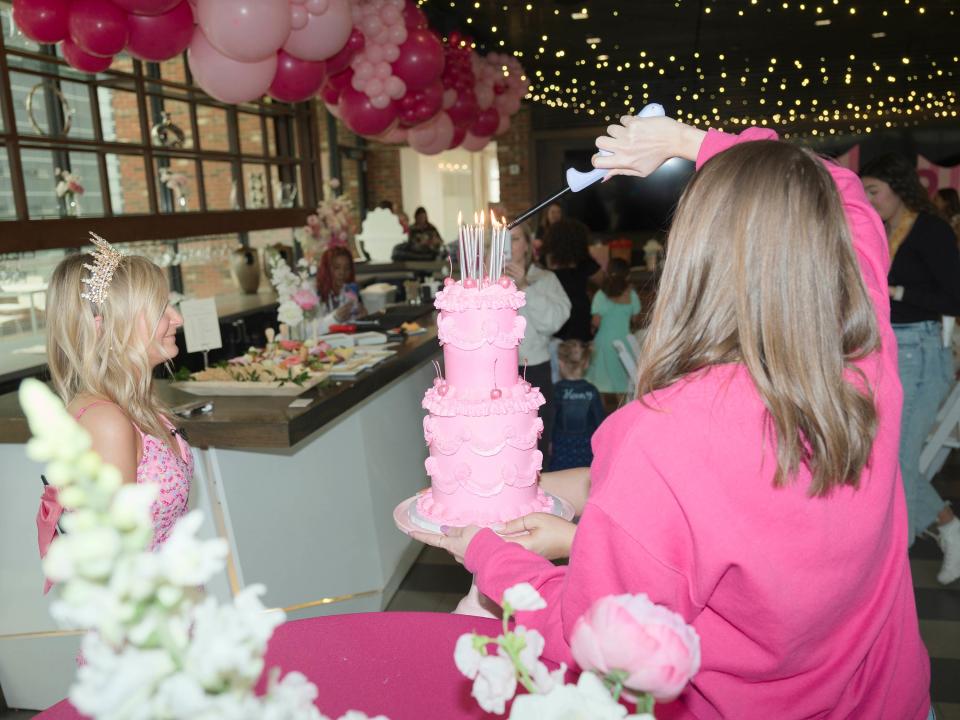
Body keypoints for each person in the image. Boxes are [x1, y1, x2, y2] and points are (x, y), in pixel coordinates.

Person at [412, 118, 931, 718]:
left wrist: (489, 554)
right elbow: (840, 188)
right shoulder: (865, 363)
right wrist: (689, 142)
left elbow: (590, 639)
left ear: (692, 257)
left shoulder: (662, 436)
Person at [39, 234, 192, 590]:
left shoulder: (135, 403)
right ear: (104, 327)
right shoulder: (106, 421)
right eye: (159, 310)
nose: (178, 318)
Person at [861, 154, 960, 585]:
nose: (869, 199)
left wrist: (896, 289)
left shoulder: (930, 230)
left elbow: (954, 299)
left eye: (874, 191)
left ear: (899, 189)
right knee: (885, 457)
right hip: (890, 350)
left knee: (897, 461)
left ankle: (948, 529)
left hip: (921, 353)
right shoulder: (882, 232)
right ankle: (912, 538)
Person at [503, 222, 571, 467]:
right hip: (494, 375)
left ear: (528, 246)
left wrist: (524, 288)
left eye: (515, 239)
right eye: (501, 240)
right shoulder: (485, 282)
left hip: (533, 370)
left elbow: (553, 322)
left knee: (535, 449)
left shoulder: (544, 279)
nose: (507, 247)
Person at [542, 218, 604, 344]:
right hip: (579, 313)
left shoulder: (545, 261)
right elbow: (605, 282)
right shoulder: (584, 261)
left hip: (555, 311)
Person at [586, 258, 642, 394]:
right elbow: (636, 319)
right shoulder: (632, 295)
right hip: (624, 340)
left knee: (599, 383)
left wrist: (592, 327)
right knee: (624, 381)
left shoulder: (600, 295)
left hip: (603, 343)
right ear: (627, 275)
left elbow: (596, 321)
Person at [550, 339, 605, 471]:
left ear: (560, 363)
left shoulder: (556, 390)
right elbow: (600, 422)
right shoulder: (592, 391)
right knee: (584, 474)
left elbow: (550, 420)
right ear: (586, 364)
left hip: (561, 446)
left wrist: (549, 442)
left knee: (560, 475)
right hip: (586, 446)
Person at [317, 245, 364, 330]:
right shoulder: (315, 293)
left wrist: (362, 317)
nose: (342, 272)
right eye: (336, 268)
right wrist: (335, 318)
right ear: (326, 269)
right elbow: (311, 330)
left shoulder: (351, 291)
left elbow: (353, 324)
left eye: (347, 268)